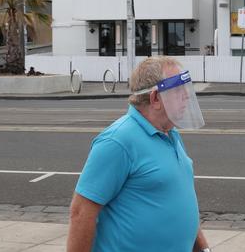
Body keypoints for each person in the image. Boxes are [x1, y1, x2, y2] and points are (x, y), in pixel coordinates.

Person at [67, 56, 210, 252]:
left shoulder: (170, 134)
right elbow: (81, 212)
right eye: (178, 90)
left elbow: (178, 200)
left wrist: (203, 249)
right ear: (155, 98)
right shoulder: (117, 141)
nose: (186, 96)